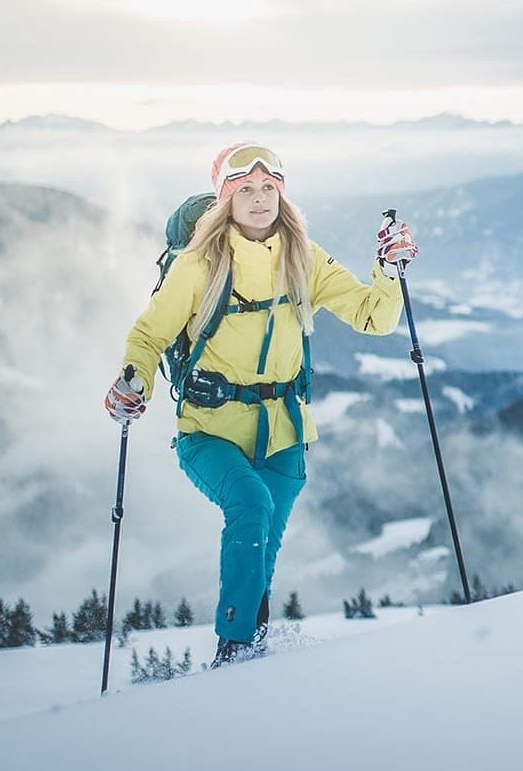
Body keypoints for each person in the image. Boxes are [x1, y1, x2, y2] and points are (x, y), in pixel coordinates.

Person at [103, 142, 420, 667]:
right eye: (245, 189)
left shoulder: (304, 257)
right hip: (209, 430)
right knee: (250, 508)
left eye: (268, 188)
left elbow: (374, 317)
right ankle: (235, 650)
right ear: (226, 197)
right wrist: (132, 382)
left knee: (264, 546)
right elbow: (148, 335)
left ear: (281, 194)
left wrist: (387, 270)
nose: (258, 199)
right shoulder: (198, 264)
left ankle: (254, 655)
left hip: (285, 430)